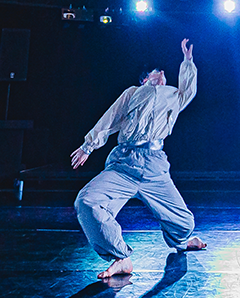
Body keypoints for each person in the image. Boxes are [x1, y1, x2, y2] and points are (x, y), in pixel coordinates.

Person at [71, 37, 207, 280]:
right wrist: (87, 146)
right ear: (145, 78)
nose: (162, 75)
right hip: (124, 164)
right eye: (156, 73)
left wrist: (187, 62)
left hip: (154, 166)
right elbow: (109, 119)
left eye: (163, 73)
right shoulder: (133, 93)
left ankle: (182, 241)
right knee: (87, 201)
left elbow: (190, 90)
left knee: (185, 222)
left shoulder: (173, 96)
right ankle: (120, 257)